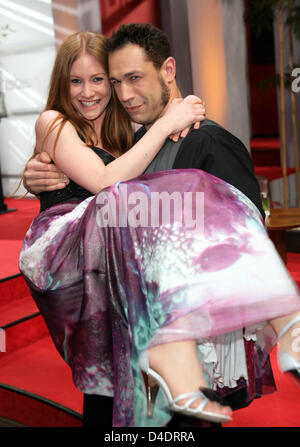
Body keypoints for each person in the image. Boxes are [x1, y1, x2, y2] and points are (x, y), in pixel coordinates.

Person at [20, 25, 300, 428]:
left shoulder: (136, 137)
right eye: (79, 81)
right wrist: (168, 120)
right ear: (61, 84)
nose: (91, 91)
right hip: (83, 276)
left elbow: (240, 226)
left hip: (134, 317)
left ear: (167, 70)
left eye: (104, 80)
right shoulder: (63, 124)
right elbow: (105, 185)